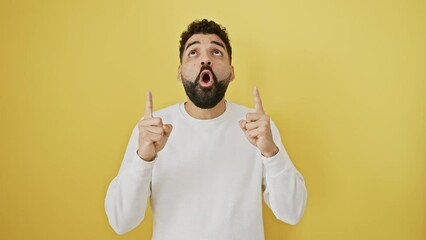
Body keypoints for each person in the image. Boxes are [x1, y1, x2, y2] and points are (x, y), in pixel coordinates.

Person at [105, 19, 307, 240]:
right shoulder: (152, 130)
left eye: (216, 52)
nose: (205, 59)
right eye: (193, 53)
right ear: (180, 72)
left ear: (231, 72)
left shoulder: (258, 128)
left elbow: (292, 212)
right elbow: (121, 221)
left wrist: (271, 153)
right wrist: (143, 158)